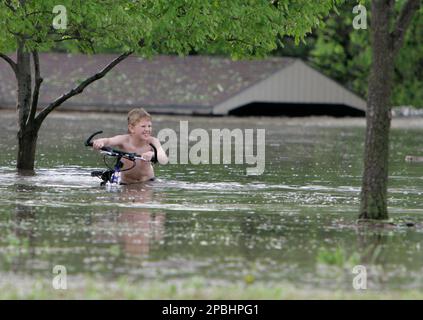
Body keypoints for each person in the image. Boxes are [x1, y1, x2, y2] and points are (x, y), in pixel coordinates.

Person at [93, 108, 168, 184]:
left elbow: (163, 157)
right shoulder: (124, 140)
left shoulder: (152, 141)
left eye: (149, 126)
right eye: (143, 126)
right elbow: (109, 140)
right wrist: (101, 142)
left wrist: (152, 154)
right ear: (131, 128)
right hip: (126, 183)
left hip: (147, 182)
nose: (147, 129)